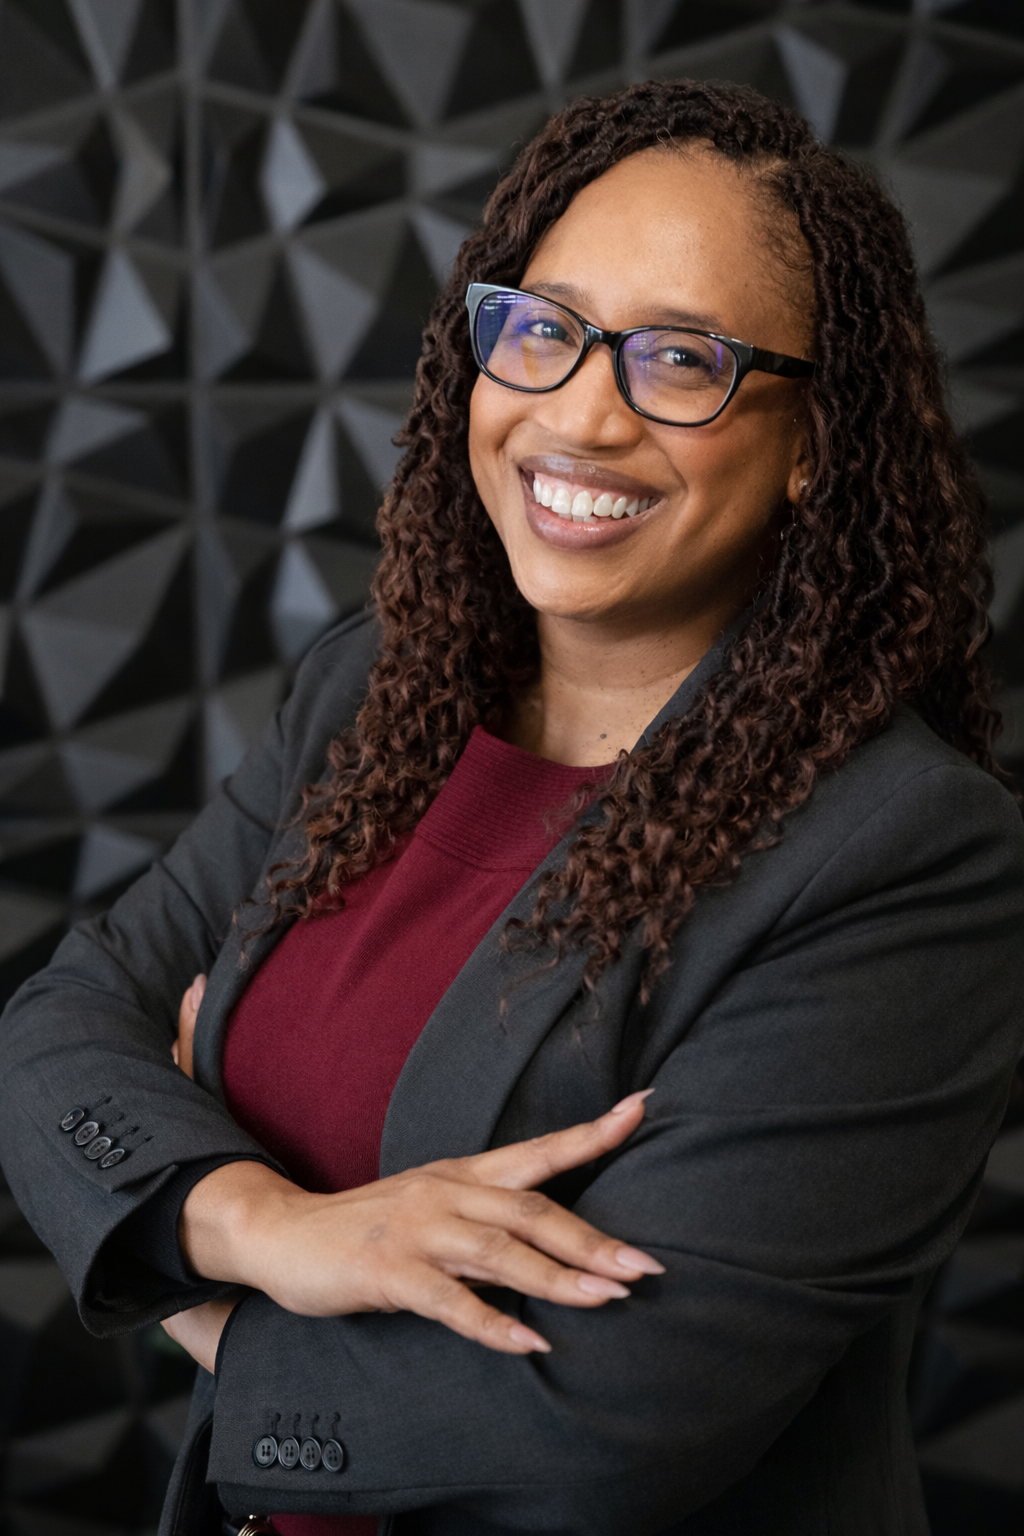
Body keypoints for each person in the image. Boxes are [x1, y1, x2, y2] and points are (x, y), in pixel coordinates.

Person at [1, 77, 1022, 1536]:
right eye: (544, 329)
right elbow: (59, 1027)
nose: (582, 415)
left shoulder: (905, 854)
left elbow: (601, 1429)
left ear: (814, 442)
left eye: (682, 359)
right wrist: (262, 1226)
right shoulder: (373, 696)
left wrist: (199, 1307)